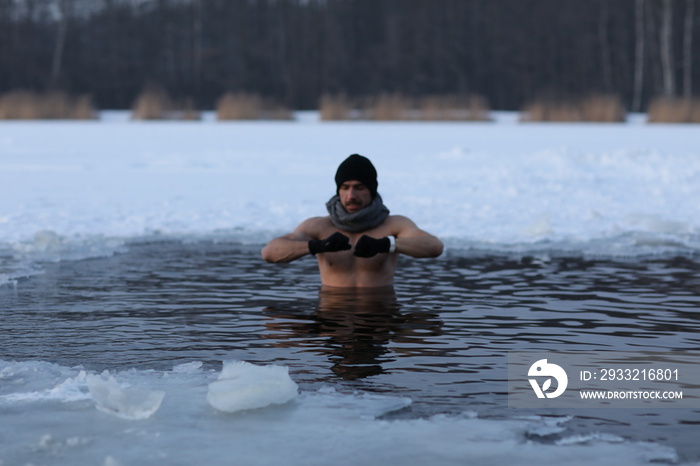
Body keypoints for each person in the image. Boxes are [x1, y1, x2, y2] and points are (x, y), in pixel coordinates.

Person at [261, 154, 443, 287]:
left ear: (371, 190)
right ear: (338, 191)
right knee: (275, 333)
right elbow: (269, 253)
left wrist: (386, 245)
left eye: (359, 188)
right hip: (331, 318)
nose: (351, 195)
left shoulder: (393, 225)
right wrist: (318, 246)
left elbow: (433, 247)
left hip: (380, 317)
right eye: (345, 188)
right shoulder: (319, 227)